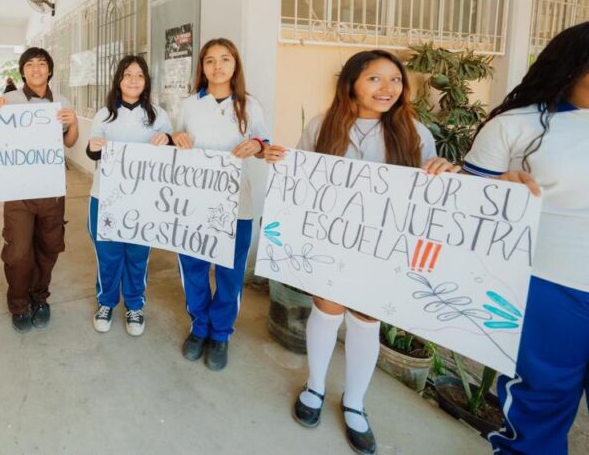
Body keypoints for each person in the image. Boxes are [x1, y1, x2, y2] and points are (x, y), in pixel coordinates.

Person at [286, 49, 458, 455]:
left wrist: (445, 171)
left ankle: (355, 403)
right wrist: (281, 161)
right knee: (326, 310)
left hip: (383, 251)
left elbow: (432, 192)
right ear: (352, 84)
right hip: (331, 242)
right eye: (375, 79)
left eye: (395, 79)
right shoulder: (321, 125)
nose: (387, 88)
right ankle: (315, 386)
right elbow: (301, 177)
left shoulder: (416, 133)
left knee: (366, 319)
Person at [463, 22, 589, 455]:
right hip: (548, 286)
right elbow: (465, 205)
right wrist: (495, 188)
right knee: (541, 400)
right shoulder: (517, 125)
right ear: (573, 64)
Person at [172, 38, 273, 371]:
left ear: (235, 64)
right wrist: (175, 138)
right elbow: (174, 142)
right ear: (202, 67)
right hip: (194, 201)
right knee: (194, 266)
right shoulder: (189, 105)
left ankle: (221, 333)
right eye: (210, 60)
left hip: (236, 203)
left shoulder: (249, 105)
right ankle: (199, 326)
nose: (217, 66)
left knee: (230, 271)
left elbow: (265, 145)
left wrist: (257, 145)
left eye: (225, 59)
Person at [0, 47, 78, 332]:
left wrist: (73, 122)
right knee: (17, 252)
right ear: (22, 71)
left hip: (51, 189)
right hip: (18, 190)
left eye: (41, 64)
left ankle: (39, 298)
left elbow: (70, 142)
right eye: (30, 64)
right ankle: (18, 304)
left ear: (49, 70)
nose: (36, 69)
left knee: (48, 247)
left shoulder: (61, 101)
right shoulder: (8, 101)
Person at [85, 56, 172, 336]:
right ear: (118, 80)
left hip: (144, 200)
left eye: (139, 75)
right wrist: (94, 146)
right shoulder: (104, 115)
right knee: (108, 255)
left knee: (137, 254)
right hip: (106, 197)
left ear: (146, 81)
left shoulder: (158, 116)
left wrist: (168, 140)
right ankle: (106, 302)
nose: (133, 80)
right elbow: (92, 152)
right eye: (127, 74)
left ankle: (135, 305)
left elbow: (173, 154)